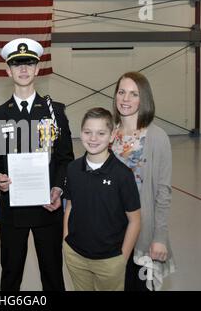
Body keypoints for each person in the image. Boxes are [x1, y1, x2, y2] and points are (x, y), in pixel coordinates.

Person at [0, 38, 74, 291]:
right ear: (8, 71)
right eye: (17, 65)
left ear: (37, 69)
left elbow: (65, 157)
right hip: (13, 208)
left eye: (29, 64)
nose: (23, 69)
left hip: (48, 205)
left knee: (52, 273)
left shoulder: (54, 112)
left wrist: (58, 188)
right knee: (11, 273)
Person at [63, 107, 141, 291]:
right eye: (87, 132)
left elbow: (135, 220)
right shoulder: (73, 169)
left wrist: (122, 258)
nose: (93, 138)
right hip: (76, 255)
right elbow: (70, 207)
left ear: (112, 135)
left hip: (110, 260)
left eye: (100, 133)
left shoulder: (123, 175)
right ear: (80, 133)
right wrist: (66, 240)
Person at [111, 71, 176, 291]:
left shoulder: (157, 137)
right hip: (111, 232)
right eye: (121, 92)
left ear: (144, 99)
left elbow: (163, 193)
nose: (125, 99)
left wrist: (160, 237)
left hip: (143, 234)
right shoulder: (108, 135)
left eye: (133, 94)